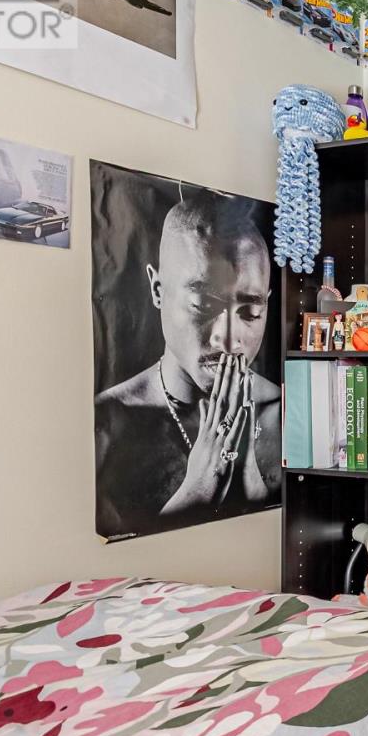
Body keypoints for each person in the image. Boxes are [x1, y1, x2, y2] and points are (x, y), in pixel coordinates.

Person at [94, 191, 281, 539]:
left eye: (250, 312)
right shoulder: (106, 424)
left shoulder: (282, 412)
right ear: (158, 290)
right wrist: (197, 491)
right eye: (203, 305)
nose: (228, 340)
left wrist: (253, 490)